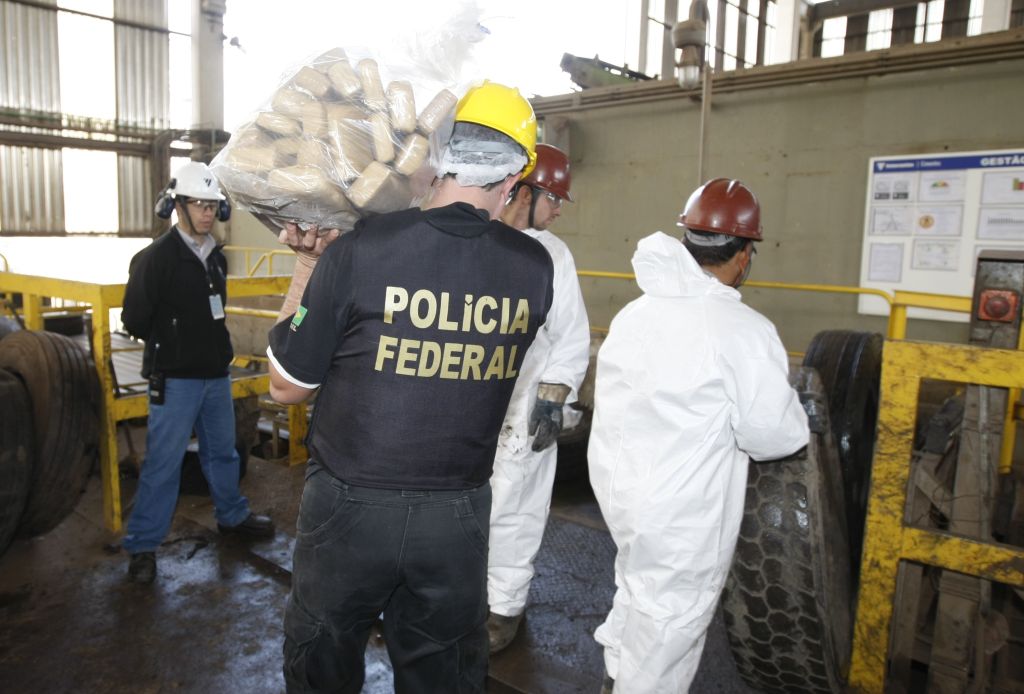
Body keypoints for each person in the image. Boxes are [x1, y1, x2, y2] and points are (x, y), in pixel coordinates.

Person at [267, 81, 555, 694]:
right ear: (514, 180)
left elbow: (287, 387)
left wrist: (311, 267)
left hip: (349, 505)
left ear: (438, 154)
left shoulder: (361, 249)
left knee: (323, 655)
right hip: (456, 517)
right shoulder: (535, 269)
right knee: (444, 673)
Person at [587, 178, 810, 693]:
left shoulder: (637, 312)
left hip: (624, 497)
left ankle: (616, 674)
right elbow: (773, 436)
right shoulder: (742, 330)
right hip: (684, 514)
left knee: (637, 589)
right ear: (744, 254)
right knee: (672, 621)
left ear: (687, 241)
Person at [120, 160, 274, 585]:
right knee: (163, 464)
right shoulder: (156, 259)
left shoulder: (215, 260)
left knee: (223, 453)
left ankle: (232, 516)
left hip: (214, 376)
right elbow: (135, 318)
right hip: (174, 379)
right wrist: (173, 341)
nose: (207, 213)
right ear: (177, 206)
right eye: (199, 204)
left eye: (213, 206)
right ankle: (143, 546)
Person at [486, 143, 591, 652]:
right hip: (467, 406)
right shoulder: (475, 239)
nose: (557, 210)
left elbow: (571, 337)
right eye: (552, 197)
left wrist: (552, 396)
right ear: (521, 190)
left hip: (523, 408)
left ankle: (502, 608)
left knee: (516, 508)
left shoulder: (554, 255)